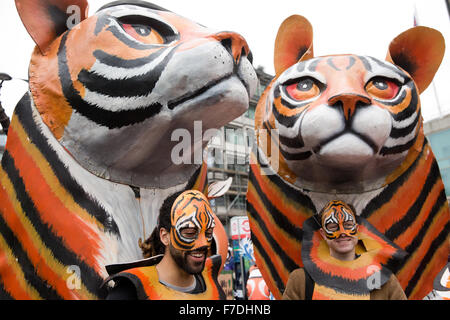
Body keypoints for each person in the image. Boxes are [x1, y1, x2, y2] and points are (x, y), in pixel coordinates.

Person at [103, 190, 226, 300]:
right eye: (190, 233)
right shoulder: (129, 291)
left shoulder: (212, 285)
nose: (204, 243)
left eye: (208, 233)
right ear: (164, 236)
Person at [282, 200, 407, 300]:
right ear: (323, 234)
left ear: (357, 229)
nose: (342, 233)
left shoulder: (384, 280)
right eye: (333, 227)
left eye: (347, 225)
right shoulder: (301, 280)